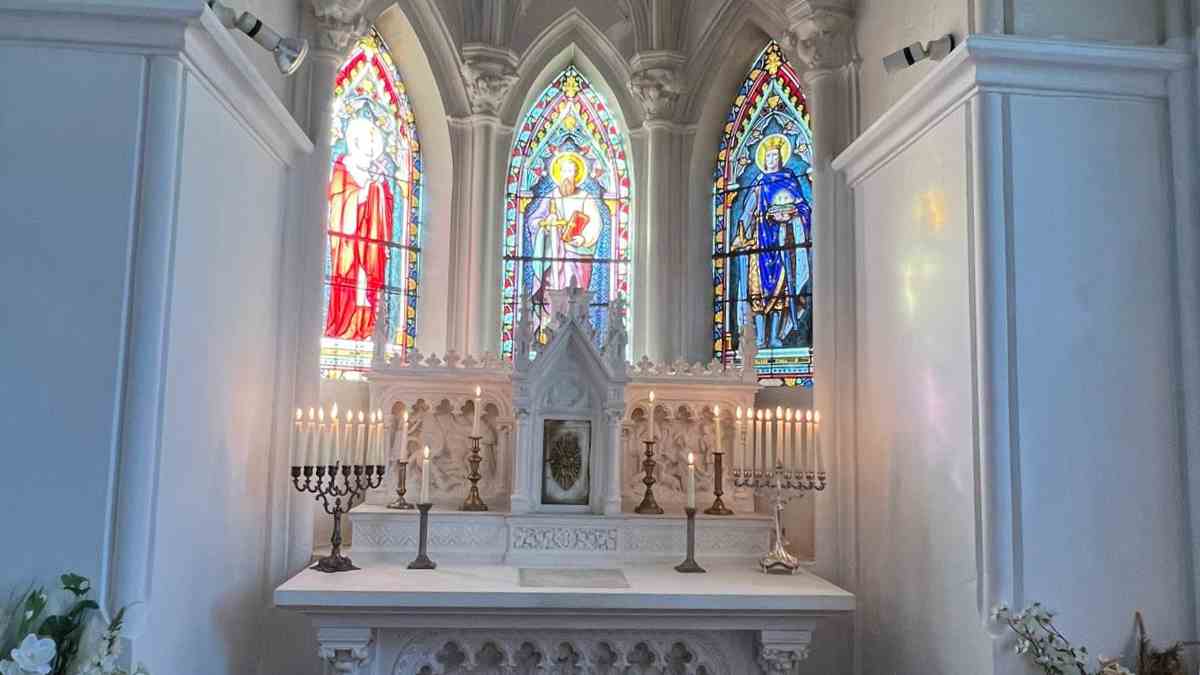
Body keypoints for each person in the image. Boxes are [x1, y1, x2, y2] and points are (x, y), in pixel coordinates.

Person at [730, 134, 812, 348]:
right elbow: (748, 210)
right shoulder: (758, 182)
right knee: (757, 291)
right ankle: (759, 338)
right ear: (764, 160)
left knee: (781, 292)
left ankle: (775, 336)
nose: (773, 159)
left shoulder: (789, 177)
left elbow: (803, 206)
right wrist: (740, 233)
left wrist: (792, 213)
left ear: (782, 158)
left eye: (776, 155)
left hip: (783, 241)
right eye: (769, 156)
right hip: (760, 242)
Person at [325, 115, 394, 341]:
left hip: (370, 243)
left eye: (375, 142)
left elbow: (387, 207)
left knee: (369, 288)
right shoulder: (342, 168)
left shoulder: (378, 175)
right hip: (348, 244)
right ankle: (343, 327)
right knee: (349, 286)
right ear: (354, 142)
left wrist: (377, 188)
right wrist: (363, 193)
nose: (373, 146)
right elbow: (338, 206)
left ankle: (368, 329)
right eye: (368, 140)